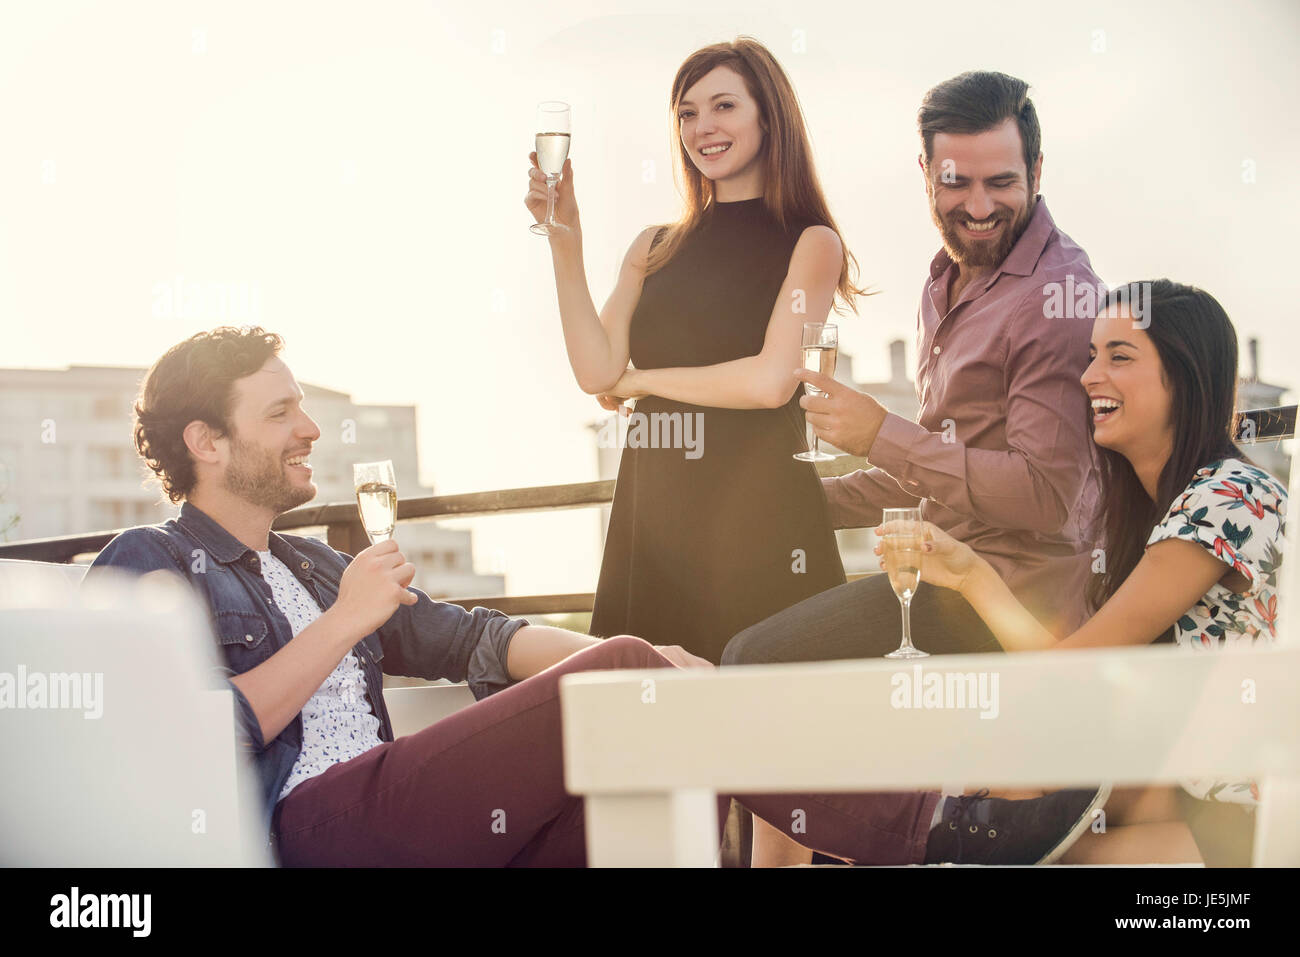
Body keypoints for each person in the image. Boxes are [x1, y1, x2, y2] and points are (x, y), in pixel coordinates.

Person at [89, 325, 1104, 866]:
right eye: (280, 411)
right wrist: (350, 623)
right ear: (207, 444)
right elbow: (192, 741)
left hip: (406, 814)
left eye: (305, 405)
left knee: (645, 766)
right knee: (626, 680)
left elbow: (474, 639)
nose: (309, 428)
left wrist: (653, 664)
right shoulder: (151, 564)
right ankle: (939, 831)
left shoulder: (314, 566)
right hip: (315, 829)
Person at [722, 68, 1105, 865]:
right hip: (937, 573)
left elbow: (1044, 495)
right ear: (925, 174)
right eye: (954, 181)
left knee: (754, 667)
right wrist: (803, 501)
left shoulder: (1057, 298)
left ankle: (920, 835)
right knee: (751, 625)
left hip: (1005, 602)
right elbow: (937, 469)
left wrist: (877, 431)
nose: (976, 204)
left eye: (1001, 182)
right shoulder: (945, 281)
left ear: (1038, 173)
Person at [876, 281, 1285, 865]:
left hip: (1256, 820)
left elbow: (1072, 671)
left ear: (1187, 377)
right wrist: (970, 574)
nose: (1090, 376)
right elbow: (1080, 673)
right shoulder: (1150, 515)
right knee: (1014, 780)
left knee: (1006, 796)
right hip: (1184, 802)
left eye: (1119, 356)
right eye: (1091, 355)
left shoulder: (1229, 497)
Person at [525, 37, 862, 665]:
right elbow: (597, 371)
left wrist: (641, 381)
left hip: (759, 514)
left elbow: (769, 382)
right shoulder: (653, 244)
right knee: (648, 729)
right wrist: (563, 242)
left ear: (769, 115)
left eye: (724, 106)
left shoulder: (811, 243)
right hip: (654, 515)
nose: (702, 127)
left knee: (765, 723)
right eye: (686, 113)